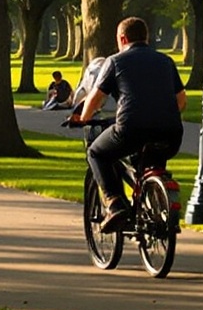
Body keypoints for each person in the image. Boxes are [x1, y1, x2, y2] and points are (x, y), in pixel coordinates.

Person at [75, 16, 187, 231]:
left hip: (131, 129)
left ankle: (114, 202)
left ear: (123, 39)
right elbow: (181, 100)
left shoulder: (115, 61)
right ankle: (156, 205)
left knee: (96, 153)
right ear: (146, 38)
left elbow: (95, 98)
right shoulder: (165, 61)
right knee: (150, 164)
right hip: (171, 132)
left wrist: (84, 117)